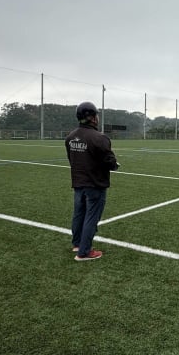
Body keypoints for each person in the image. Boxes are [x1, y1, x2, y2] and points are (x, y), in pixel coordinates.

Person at [64, 101, 119, 261]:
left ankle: (77, 244)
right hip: (95, 183)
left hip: (78, 181)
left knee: (79, 214)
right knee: (91, 217)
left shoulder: (70, 137)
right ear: (93, 118)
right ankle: (84, 252)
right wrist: (114, 165)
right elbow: (109, 161)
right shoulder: (99, 138)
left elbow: (72, 159)